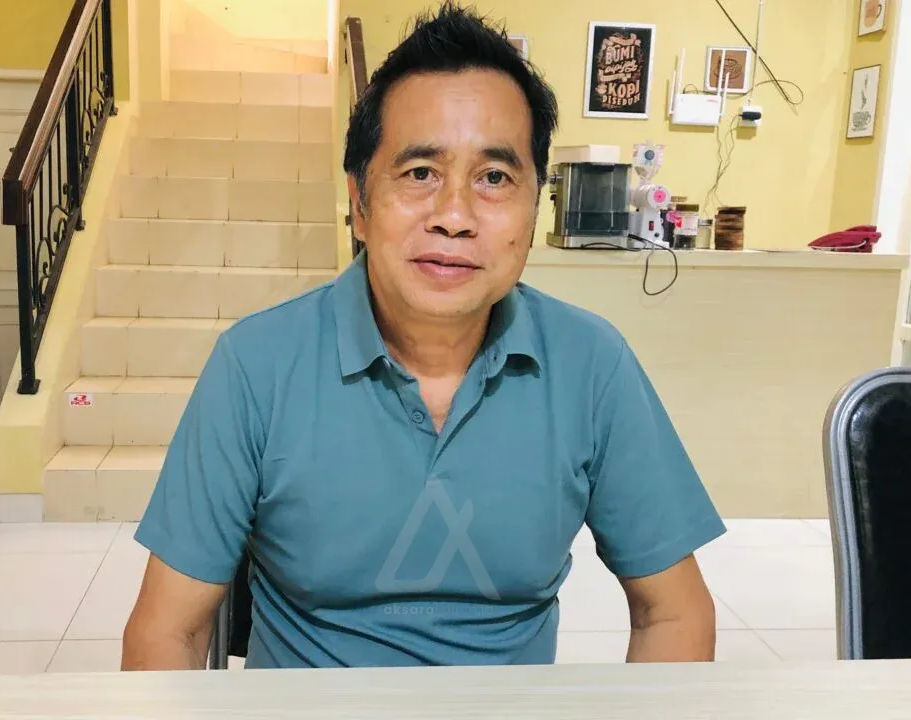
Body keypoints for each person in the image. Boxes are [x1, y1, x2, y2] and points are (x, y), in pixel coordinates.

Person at [122, 2, 726, 671]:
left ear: (534, 207)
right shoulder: (256, 365)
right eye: (419, 174)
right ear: (358, 203)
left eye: (494, 178)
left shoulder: (591, 365)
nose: (455, 216)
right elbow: (167, 632)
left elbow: (675, 612)